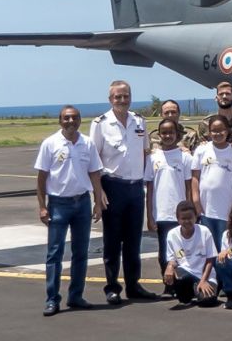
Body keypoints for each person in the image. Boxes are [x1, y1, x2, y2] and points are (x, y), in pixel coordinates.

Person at [35, 106, 105, 316]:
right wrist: (42, 206)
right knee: (55, 253)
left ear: (80, 120)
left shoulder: (88, 143)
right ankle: (52, 299)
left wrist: (98, 202)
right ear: (60, 121)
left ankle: (75, 296)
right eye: (66, 118)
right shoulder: (50, 144)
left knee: (81, 253)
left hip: (82, 203)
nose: (70, 121)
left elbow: (95, 174)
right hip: (58, 204)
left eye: (74, 118)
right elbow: (41, 178)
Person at [93, 80, 159, 304]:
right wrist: (99, 191)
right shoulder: (100, 123)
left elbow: (145, 152)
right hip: (113, 186)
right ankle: (112, 287)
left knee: (133, 240)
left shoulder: (139, 121)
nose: (122, 100)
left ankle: (133, 285)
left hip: (135, 187)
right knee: (112, 240)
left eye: (126, 96)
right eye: (117, 97)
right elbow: (94, 161)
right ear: (110, 99)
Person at [147, 119, 193, 297]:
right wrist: (150, 215)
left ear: (177, 134)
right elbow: (150, 189)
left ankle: (185, 284)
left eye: (171, 132)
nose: (167, 136)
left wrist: (190, 211)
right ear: (159, 135)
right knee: (164, 252)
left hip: (181, 214)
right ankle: (168, 285)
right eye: (164, 133)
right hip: (162, 213)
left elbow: (189, 186)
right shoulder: (153, 158)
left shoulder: (185, 158)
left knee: (184, 250)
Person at [192, 114, 232, 244]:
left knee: (225, 246)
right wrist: (196, 201)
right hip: (206, 209)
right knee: (208, 246)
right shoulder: (201, 150)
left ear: (228, 130)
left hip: (227, 209)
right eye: (214, 130)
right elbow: (195, 178)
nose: (218, 133)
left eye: (221, 130)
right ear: (209, 132)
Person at [163, 201, 219, 307]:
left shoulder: (204, 231)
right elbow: (172, 259)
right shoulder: (172, 234)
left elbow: (210, 260)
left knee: (207, 301)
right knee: (176, 276)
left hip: (205, 275)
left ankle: (199, 289)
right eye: (183, 219)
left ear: (196, 217)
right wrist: (169, 267)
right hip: (186, 273)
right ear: (178, 219)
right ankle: (189, 293)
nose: (187, 221)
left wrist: (203, 280)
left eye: (190, 218)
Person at [201, 81, 232, 148]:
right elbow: (200, 147)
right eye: (221, 94)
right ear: (216, 98)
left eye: (227, 94)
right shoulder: (205, 123)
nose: (224, 96)